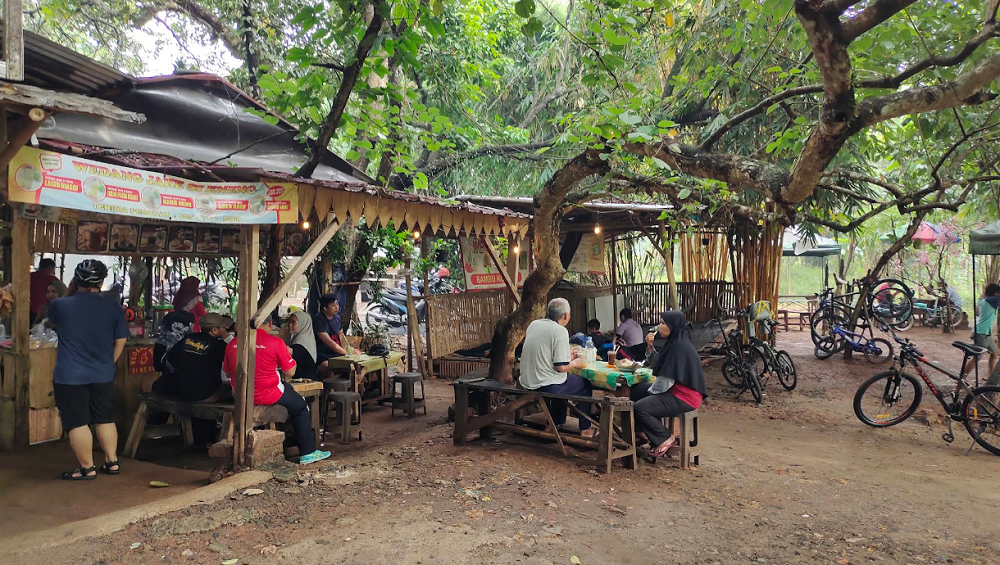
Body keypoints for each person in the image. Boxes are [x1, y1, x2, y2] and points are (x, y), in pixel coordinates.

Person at [49, 260, 128, 480]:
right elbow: (120, 341)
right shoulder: (112, 306)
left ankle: (87, 468)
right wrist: (108, 363)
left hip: (70, 374)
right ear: (102, 281)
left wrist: (71, 291)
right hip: (102, 373)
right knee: (104, 417)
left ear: (76, 280)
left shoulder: (60, 305)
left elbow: (52, 322)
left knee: (77, 421)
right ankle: (112, 462)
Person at [223, 314, 330, 465]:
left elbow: (227, 373)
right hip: (269, 393)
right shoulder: (275, 342)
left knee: (287, 390)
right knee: (300, 406)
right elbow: (290, 372)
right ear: (270, 324)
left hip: (241, 395)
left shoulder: (233, 343)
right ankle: (307, 452)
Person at [631, 311, 707, 458]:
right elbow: (659, 365)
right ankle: (643, 432)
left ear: (673, 326)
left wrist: (650, 394)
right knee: (636, 390)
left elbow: (664, 382)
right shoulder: (675, 342)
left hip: (684, 397)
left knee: (640, 408)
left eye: (663, 323)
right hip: (675, 390)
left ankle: (665, 438)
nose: (660, 326)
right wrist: (650, 347)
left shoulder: (679, 347)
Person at [518, 298, 595, 437]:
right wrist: (575, 363)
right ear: (565, 315)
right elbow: (561, 367)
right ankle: (585, 429)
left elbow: (546, 356)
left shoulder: (534, 324)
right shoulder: (560, 331)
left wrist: (567, 358)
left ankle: (554, 424)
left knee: (563, 381)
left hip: (526, 380)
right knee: (584, 385)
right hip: (544, 384)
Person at [164, 313, 233, 402]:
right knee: (231, 392)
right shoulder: (220, 345)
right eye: (223, 328)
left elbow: (170, 359)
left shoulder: (188, 338)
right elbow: (231, 371)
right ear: (214, 330)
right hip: (206, 395)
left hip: (181, 392)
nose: (225, 330)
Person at [968, 283, 1000, 381]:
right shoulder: (991, 300)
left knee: (995, 353)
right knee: (978, 356)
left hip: (985, 333)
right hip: (981, 333)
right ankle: (963, 376)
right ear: (995, 293)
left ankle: (991, 376)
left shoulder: (984, 300)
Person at [313, 294, 350, 369]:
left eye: (337, 304)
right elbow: (328, 341)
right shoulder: (319, 320)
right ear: (325, 308)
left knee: (353, 366)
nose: (336, 307)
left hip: (336, 353)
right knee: (329, 367)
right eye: (333, 305)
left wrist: (348, 349)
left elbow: (341, 335)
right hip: (322, 355)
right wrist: (346, 353)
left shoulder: (337, 318)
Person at [286, 310, 319, 381]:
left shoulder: (301, 343)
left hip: (305, 380)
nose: (289, 324)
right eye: (289, 321)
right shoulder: (305, 338)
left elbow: (287, 352)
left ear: (302, 324)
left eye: (293, 322)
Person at [29, 258, 59, 324]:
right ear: (51, 267)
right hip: (45, 313)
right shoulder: (53, 279)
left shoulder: (29, 276)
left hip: (28, 311)